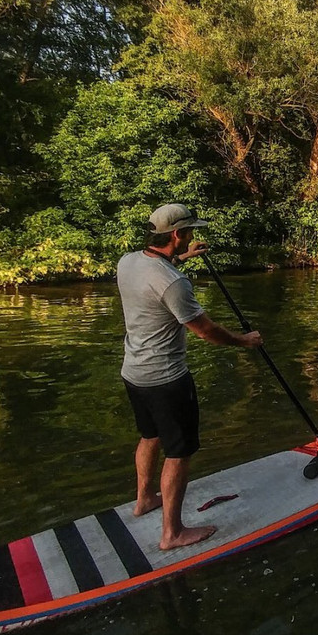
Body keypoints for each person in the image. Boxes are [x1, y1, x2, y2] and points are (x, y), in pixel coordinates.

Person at [117, 203, 263, 551]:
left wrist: (184, 260)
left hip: (133, 372)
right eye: (190, 231)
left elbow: (156, 279)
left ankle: (144, 500)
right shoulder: (173, 283)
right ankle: (172, 533)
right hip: (167, 379)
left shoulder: (128, 262)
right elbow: (205, 330)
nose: (193, 236)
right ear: (178, 235)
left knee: (149, 436)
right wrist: (245, 341)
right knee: (179, 452)